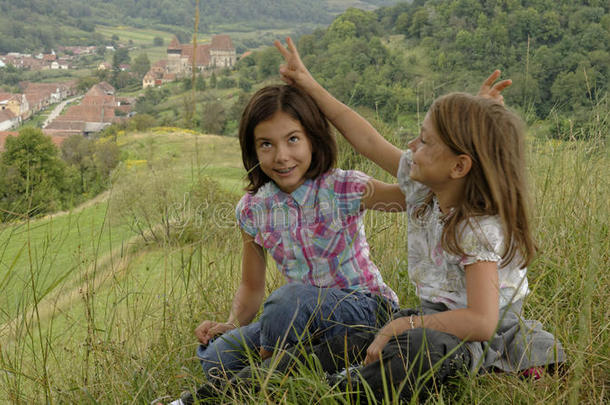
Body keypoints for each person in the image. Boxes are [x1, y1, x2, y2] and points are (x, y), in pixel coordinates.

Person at [230, 37, 566, 403]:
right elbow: (366, 139)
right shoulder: (426, 191)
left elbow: (481, 323)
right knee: (347, 342)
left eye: (424, 141)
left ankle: (330, 391)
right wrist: (308, 83)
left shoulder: (476, 229)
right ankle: (228, 391)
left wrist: (402, 325)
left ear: (459, 166)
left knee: (414, 348)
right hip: (429, 320)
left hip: (471, 340)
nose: (410, 147)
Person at [164, 83, 405, 405]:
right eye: (266, 144)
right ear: (252, 150)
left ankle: (267, 385)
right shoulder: (251, 210)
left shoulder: (343, 187)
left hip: (364, 309)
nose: (281, 156)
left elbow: (408, 196)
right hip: (295, 323)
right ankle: (301, 369)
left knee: (289, 298)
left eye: (293, 139)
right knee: (217, 357)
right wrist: (232, 324)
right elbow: (251, 287)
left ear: (313, 139)